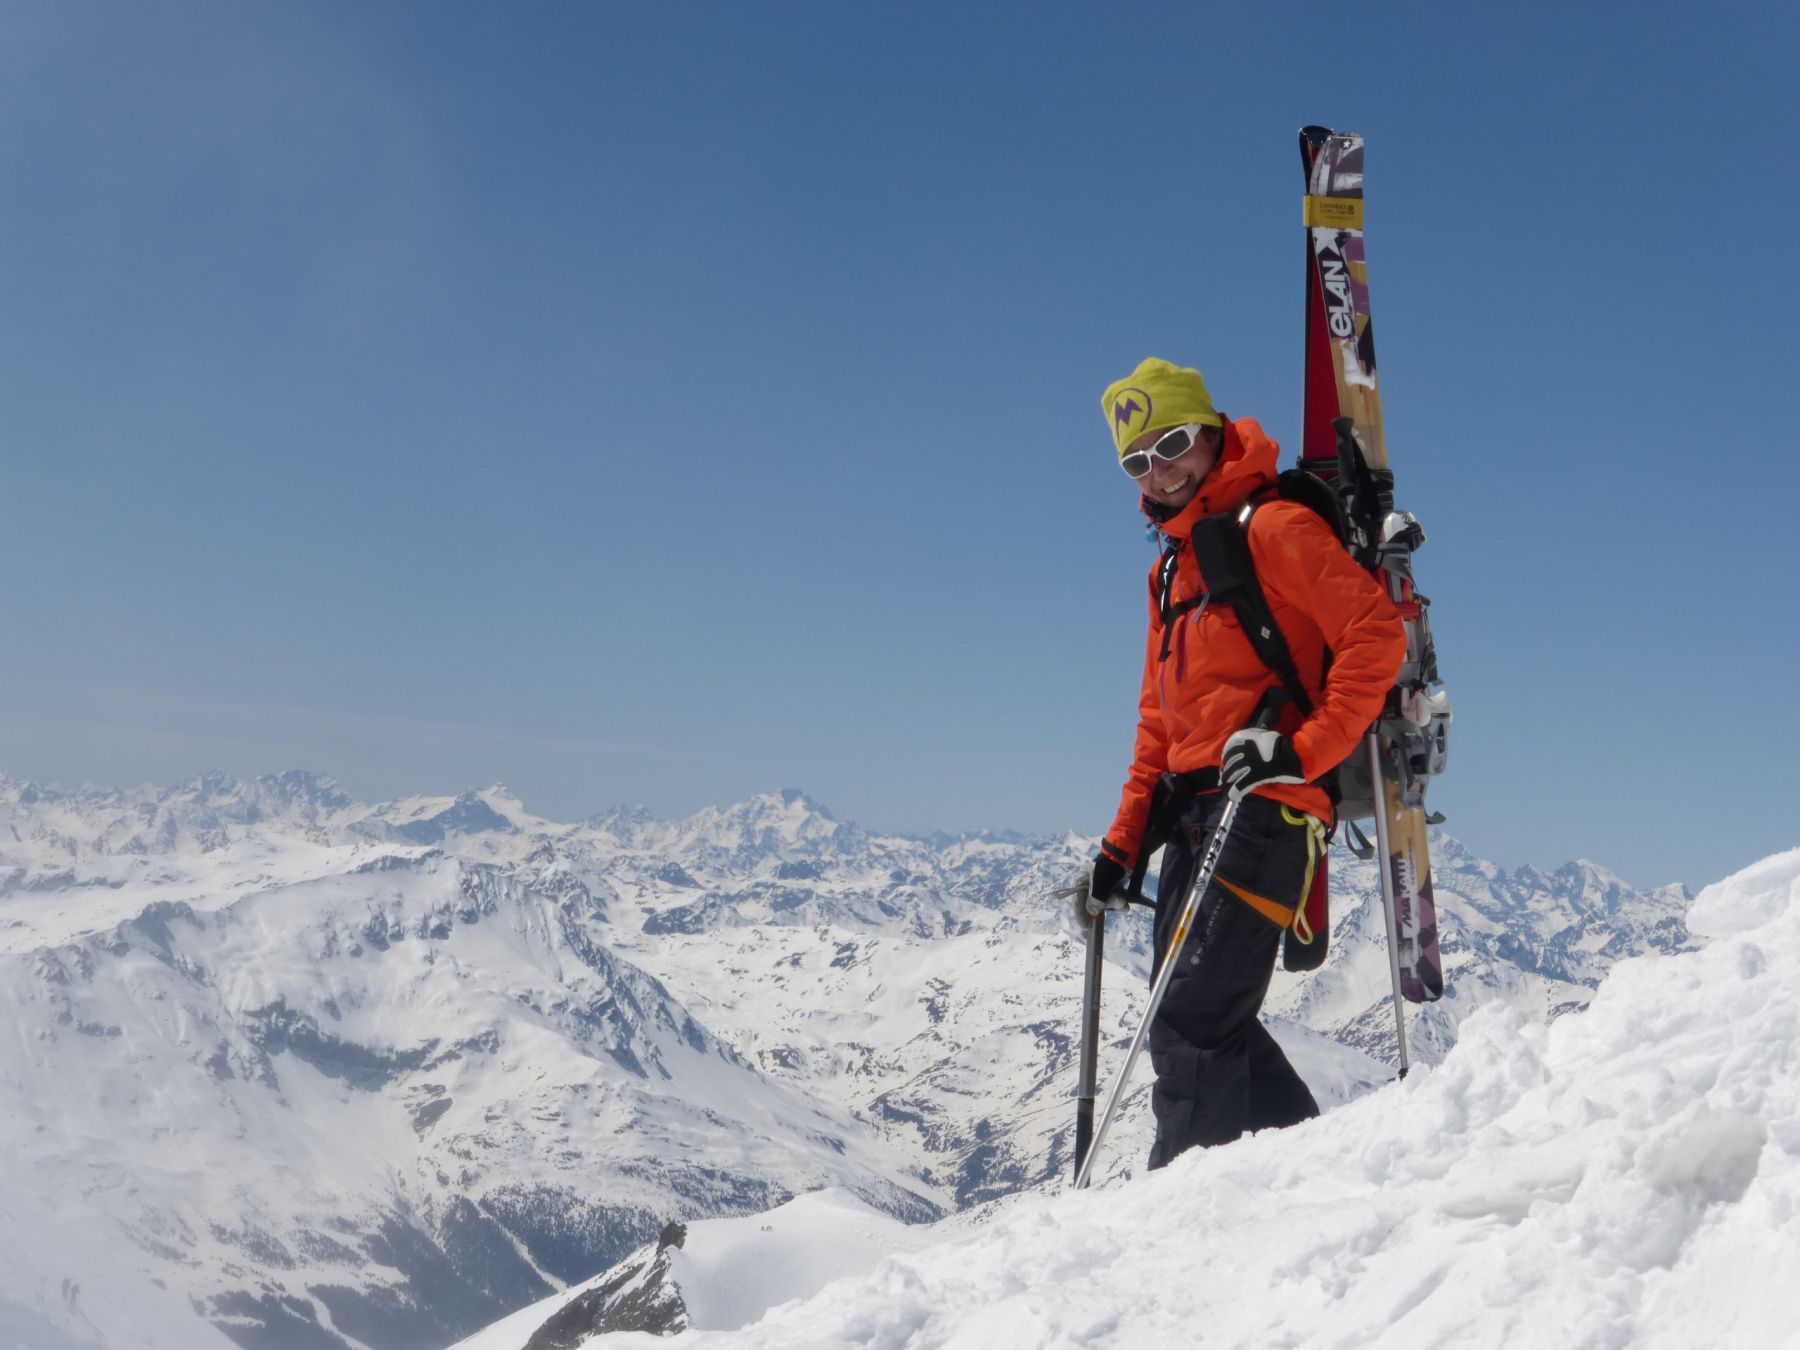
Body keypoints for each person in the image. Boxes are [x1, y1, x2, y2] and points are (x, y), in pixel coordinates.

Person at [1076, 357, 1406, 1168]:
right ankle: (1306, 1171)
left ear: (1212, 433)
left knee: (1190, 1022)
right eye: (1137, 461)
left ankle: (1177, 1223)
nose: (1160, 471)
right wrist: (1122, 848)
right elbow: (1160, 723)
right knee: (1202, 1018)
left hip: (1270, 805)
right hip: (1196, 815)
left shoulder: (1273, 529)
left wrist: (1301, 749)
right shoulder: (1168, 573)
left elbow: (1376, 638)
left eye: (1174, 443)